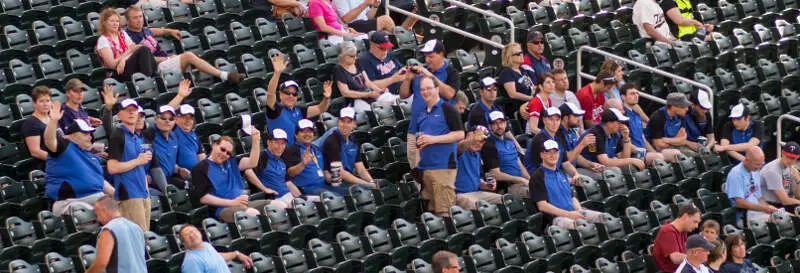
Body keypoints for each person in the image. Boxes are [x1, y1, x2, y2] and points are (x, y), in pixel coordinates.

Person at [124, 6, 242, 85]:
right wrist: (168, 58)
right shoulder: (128, 36)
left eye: (140, 17)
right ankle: (224, 75)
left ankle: (206, 82)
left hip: (165, 63)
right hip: (156, 68)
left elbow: (156, 31)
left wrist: (169, 31)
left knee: (196, 58)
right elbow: (143, 59)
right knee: (189, 56)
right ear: (128, 21)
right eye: (135, 18)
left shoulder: (144, 30)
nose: (139, 20)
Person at [44, 102, 115, 216]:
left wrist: (117, 195)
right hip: (71, 203)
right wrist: (53, 121)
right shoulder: (64, 146)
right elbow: (49, 140)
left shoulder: (91, 156)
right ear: (71, 135)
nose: (90, 137)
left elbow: (101, 182)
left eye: (90, 133)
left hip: (97, 199)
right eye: (85, 133)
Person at [399, 39, 460, 168]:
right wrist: (408, 80)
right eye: (426, 57)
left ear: (441, 54)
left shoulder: (451, 72)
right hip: (415, 129)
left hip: (438, 131)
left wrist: (430, 76)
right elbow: (403, 95)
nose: (427, 60)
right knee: (417, 172)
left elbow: (449, 94)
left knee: (436, 172)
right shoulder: (419, 73)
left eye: (431, 56)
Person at [191, 130, 272, 223]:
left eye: (228, 153)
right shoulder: (200, 168)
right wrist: (232, 202)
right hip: (222, 209)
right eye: (222, 149)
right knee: (252, 213)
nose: (224, 154)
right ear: (214, 145)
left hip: (244, 204)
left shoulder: (232, 161)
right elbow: (204, 198)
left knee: (278, 206)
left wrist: (256, 140)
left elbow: (252, 162)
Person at [414, 76, 464, 216]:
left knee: (444, 212)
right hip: (425, 168)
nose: (425, 92)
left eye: (429, 88)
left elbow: (460, 134)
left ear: (437, 89)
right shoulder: (422, 113)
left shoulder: (448, 109)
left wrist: (433, 139)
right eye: (422, 89)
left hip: (443, 167)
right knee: (430, 214)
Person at [531, 139, 604, 229]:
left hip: (572, 213)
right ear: (542, 155)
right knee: (582, 227)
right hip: (556, 219)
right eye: (549, 152)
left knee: (604, 218)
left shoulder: (561, 173)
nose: (553, 155)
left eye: (555, 152)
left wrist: (579, 210)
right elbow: (542, 206)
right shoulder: (537, 176)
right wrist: (569, 214)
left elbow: (572, 197)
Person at [107, 98, 152, 231]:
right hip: (129, 195)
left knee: (145, 236)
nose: (132, 113)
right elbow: (112, 168)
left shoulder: (138, 137)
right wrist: (137, 161)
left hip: (142, 194)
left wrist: (146, 192)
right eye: (127, 111)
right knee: (139, 237)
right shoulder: (118, 135)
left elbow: (141, 166)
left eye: (134, 110)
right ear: (119, 114)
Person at [266, 54, 331, 144]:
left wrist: (327, 98)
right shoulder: (275, 110)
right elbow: (270, 94)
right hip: (285, 152)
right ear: (280, 94)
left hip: (303, 149)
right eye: (287, 93)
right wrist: (277, 74)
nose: (291, 96)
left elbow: (320, 108)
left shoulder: (300, 110)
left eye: (294, 94)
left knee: (334, 131)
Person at [283, 119, 349, 196]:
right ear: (296, 135)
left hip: (323, 186)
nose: (307, 134)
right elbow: (290, 173)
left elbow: (325, 172)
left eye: (310, 131)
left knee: (350, 192)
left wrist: (332, 179)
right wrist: (303, 164)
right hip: (307, 189)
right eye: (303, 131)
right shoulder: (292, 150)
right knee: (335, 197)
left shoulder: (316, 149)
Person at [84, 195, 147, 273]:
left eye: (98, 215)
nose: (98, 219)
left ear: (103, 211)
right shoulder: (136, 227)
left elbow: (101, 263)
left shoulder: (108, 230)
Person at [579, 108, 646, 179]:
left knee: (630, 167)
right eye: (618, 122)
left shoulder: (615, 134)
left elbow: (623, 158)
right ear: (609, 123)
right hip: (586, 167)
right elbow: (605, 162)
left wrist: (626, 139)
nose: (621, 125)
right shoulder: (596, 133)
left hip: (601, 167)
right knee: (614, 172)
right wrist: (632, 160)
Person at [95, 8, 158, 81]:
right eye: (112, 21)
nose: (115, 24)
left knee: (144, 49)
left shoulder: (122, 33)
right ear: (104, 23)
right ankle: (149, 82)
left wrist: (123, 60)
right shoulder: (103, 40)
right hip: (117, 73)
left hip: (127, 66)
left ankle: (151, 79)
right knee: (143, 50)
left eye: (117, 21)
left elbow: (134, 48)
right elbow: (112, 65)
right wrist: (128, 52)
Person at [620, 84, 677, 164]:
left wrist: (653, 152)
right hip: (633, 155)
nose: (636, 96)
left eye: (637, 93)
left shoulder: (636, 114)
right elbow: (623, 142)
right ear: (623, 97)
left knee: (675, 154)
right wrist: (643, 152)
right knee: (658, 158)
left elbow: (643, 138)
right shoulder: (622, 116)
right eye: (632, 94)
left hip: (644, 152)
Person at [526, 107, 588, 176]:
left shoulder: (558, 137)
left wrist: (576, 174)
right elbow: (545, 172)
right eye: (551, 119)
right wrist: (569, 180)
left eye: (557, 120)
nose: (554, 123)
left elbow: (565, 162)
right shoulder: (539, 140)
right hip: (539, 180)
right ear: (544, 120)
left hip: (555, 175)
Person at [322, 107, 376, 187]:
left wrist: (371, 182)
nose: (345, 125)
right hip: (337, 184)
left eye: (349, 122)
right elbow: (341, 172)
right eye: (342, 121)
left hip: (350, 182)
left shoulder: (353, 141)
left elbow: (361, 169)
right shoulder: (332, 141)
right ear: (338, 122)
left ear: (354, 124)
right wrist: (366, 184)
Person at [335, 41, 392, 112]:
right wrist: (368, 94)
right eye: (351, 56)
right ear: (342, 56)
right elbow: (346, 93)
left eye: (355, 55)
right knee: (372, 111)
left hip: (369, 95)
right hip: (356, 100)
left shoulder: (357, 62)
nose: (355, 58)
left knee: (390, 98)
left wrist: (379, 90)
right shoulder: (339, 69)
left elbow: (367, 82)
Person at [724, 146, 777, 224]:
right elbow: (739, 203)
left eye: (761, 164)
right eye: (757, 164)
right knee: (778, 222)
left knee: (782, 217)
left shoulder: (755, 171)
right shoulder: (735, 174)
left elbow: (759, 197)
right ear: (747, 160)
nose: (759, 167)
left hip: (757, 211)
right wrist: (763, 208)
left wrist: (767, 207)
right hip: (744, 215)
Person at [454, 125, 503, 210]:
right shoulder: (458, 149)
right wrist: (473, 138)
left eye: (482, 141)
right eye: (476, 139)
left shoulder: (477, 155)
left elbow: (478, 181)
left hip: (476, 193)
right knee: (479, 206)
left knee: (506, 201)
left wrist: (487, 185)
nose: (478, 142)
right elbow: (459, 148)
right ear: (468, 136)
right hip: (459, 195)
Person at [143, 105, 191, 191]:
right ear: (156, 120)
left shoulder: (175, 136)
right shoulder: (149, 134)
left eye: (171, 119)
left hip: (170, 178)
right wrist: (143, 174)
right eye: (163, 118)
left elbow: (171, 162)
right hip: (153, 181)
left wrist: (179, 170)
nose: (167, 121)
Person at [483, 111, 529, 197]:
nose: (499, 126)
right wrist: (521, 180)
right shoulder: (489, 145)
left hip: (520, 183)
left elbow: (521, 167)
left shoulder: (510, 142)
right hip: (507, 188)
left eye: (501, 122)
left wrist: (530, 180)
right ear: (489, 126)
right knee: (537, 193)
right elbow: (495, 174)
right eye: (495, 124)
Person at [179, 224, 253, 272]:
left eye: (192, 231)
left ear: (199, 232)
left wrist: (236, 254)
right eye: (186, 235)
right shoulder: (191, 262)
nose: (191, 235)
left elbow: (216, 257)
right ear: (184, 243)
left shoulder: (206, 245)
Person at [653, 205, 702, 272]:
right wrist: (696, 257)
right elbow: (675, 258)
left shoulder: (683, 230)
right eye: (695, 222)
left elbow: (686, 251)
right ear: (685, 217)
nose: (696, 226)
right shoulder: (667, 231)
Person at [647, 92, 697, 158]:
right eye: (683, 106)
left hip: (671, 146)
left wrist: (665, 140)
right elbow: (657, 144)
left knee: (700, 153)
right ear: (673, 107)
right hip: (657, 151)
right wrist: (677, 141)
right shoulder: (658, 117)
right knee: (693, 156)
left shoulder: (680, 115)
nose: (687, 109)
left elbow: (682, 138)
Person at [357, 31, 406, 97]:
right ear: (372, 44)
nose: (385, 51)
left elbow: (401, 67)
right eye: (382, 48)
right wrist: (393, 79)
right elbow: (371, 84)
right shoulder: (365, 60)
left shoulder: (389, 55)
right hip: (388, 95)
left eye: (387, 48)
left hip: (404, 86)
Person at [760, 141, 800, 212]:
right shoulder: (772, 169)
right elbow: (784, 200)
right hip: (767, 204)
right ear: (782, 153)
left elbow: (798, 196)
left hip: (781, 205)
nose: (790, 160)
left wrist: (798, 181)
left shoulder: (791, 169)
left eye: (793, 158)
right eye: (788, 156)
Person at [22, 86, 52, 170]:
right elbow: (35, 152)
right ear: (34, 103)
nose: (45, 104)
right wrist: (57, 160)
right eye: (41, 101)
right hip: (46, 165)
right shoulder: (31, 123)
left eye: (48, 101)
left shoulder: (52, 118)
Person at [174, 104, 207, 171]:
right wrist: (180, 95)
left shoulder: (194, 135)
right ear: (176, 119)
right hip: (180, 175)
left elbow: (201, 156)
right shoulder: (172, 132)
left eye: (190, 118)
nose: (188, 121)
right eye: (184, 117)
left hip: (197, 173)